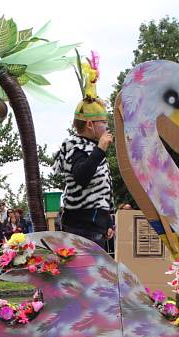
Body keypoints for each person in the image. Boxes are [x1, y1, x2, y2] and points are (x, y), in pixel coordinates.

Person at [54, 76, 114, 249]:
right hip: (81, 229)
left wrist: (108, 221)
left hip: (95, 227)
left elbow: (101, 190)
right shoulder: (74, 145)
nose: (106, 126)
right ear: (89, 124)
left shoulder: (92, 147)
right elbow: (81, 177)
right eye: (103, 122)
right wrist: (100, 149)